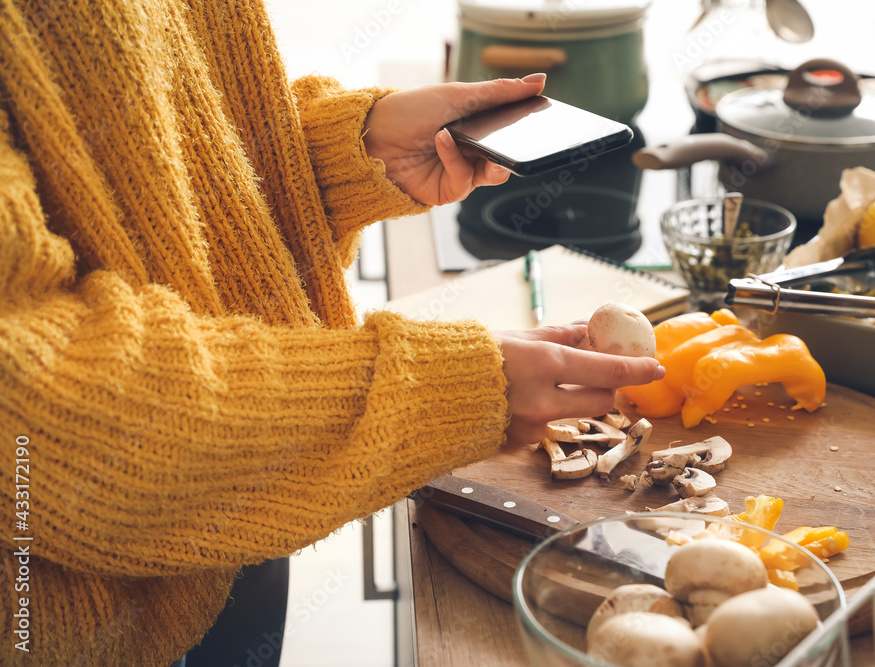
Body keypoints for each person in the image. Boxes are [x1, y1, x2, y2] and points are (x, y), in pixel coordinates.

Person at [0, 1, 664, 665]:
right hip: (83, 615)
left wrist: (342, 154)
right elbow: (28, 406)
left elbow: (150, 143)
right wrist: (447, 392)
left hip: (236, 514)